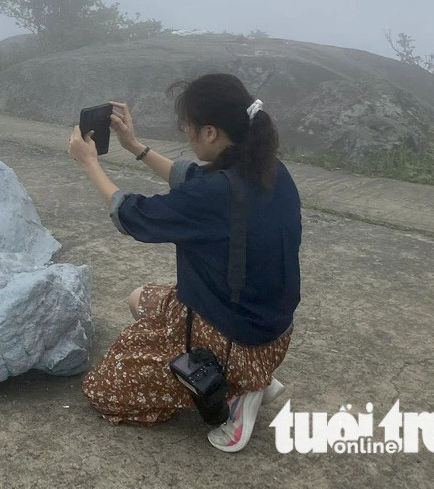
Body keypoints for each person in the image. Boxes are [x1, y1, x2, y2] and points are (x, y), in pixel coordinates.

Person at [66, 74, 302, 452]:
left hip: (233, 338)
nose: (186, 136)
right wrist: (135, 147)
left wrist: (89, 162)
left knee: (103, 389)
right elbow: (191, 179)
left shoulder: (214, 193)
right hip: (267, 329)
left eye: (187, 129)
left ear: (210, 132)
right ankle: (254, 375)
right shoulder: (267, 168)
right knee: (137, 299)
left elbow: (134, 215)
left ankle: (234, 393)